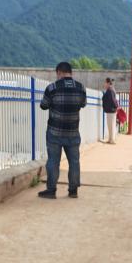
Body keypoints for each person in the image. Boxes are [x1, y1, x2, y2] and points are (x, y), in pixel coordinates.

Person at [37, 61, 87, 199]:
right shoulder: (81, 88)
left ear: (59, 72)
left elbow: (43, 105)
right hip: (73, 132)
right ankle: (73, 190)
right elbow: (83, 104)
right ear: (71, 72)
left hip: (55, 132)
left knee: (53, 161)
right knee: (74, 162)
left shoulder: (52, 88)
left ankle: (51, 190)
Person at [102, 77, 119, 144]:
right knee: (110, 125)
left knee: (111, 125)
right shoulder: (110, 90)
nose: (104, 84)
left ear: (108, 83)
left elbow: (113, 100)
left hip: (111, 110)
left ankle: (112, 140)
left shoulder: (110, 90)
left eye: (105, 82)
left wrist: (116, 106)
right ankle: (110, 139)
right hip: (110, 110)